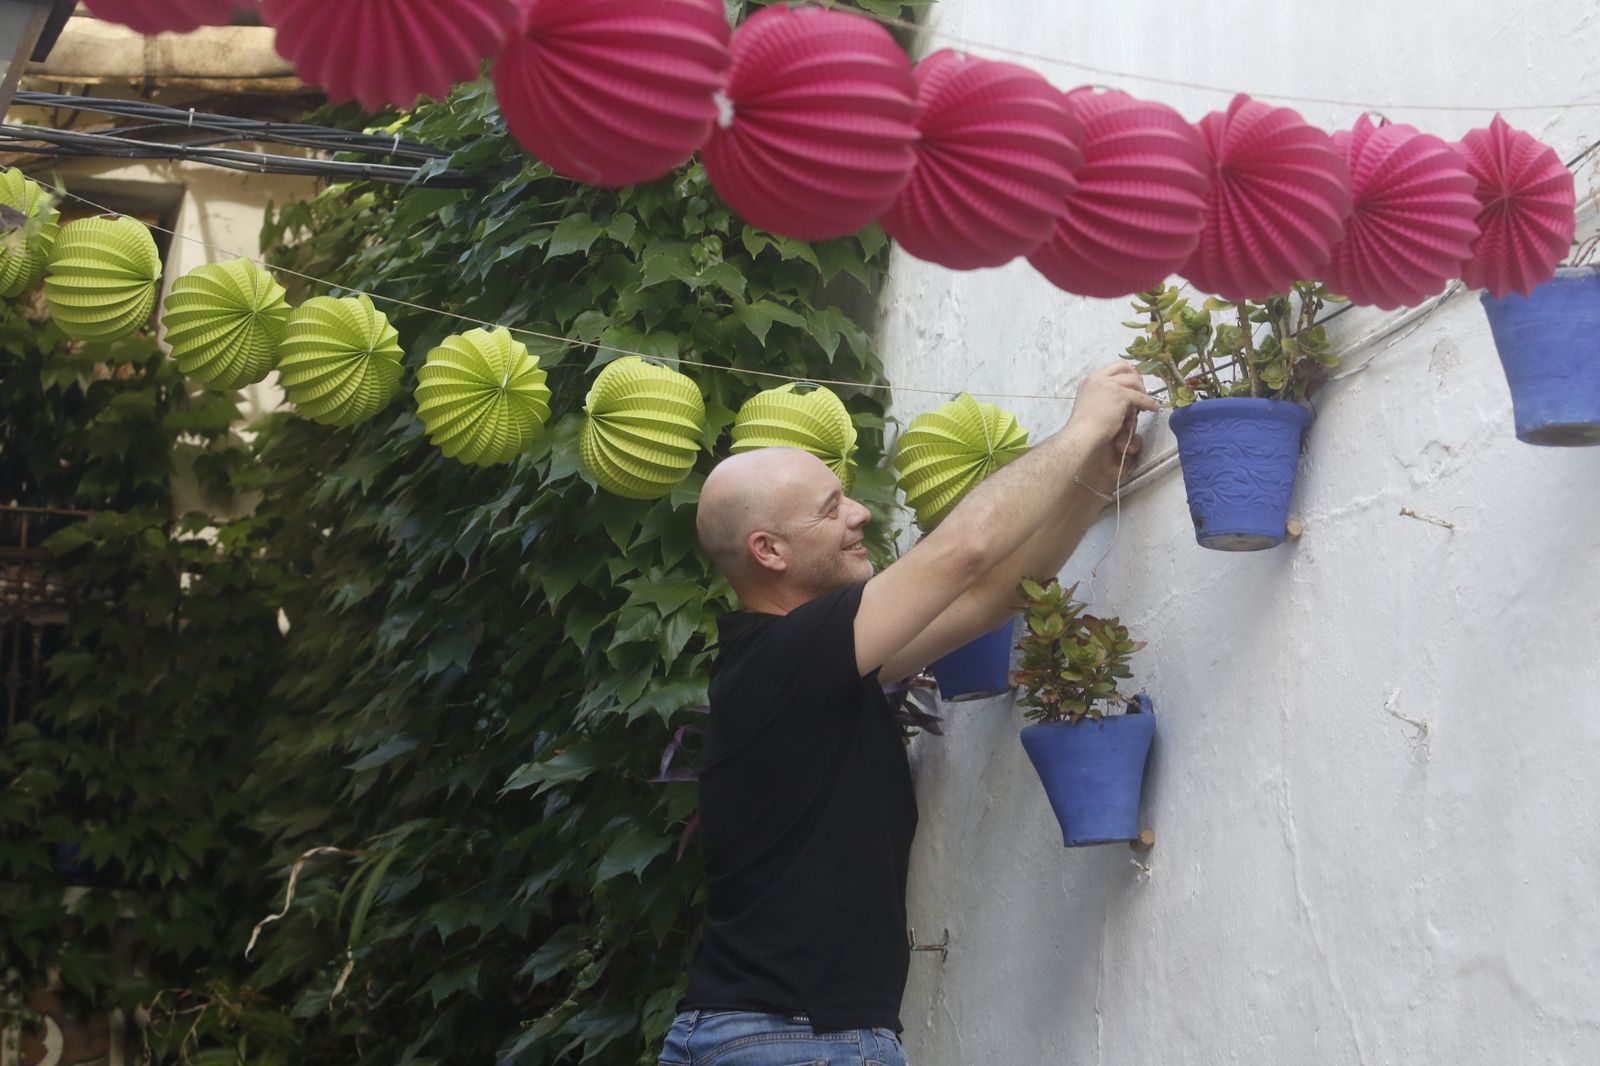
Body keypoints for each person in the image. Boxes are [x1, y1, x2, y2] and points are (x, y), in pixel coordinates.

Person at [658, 362, 1158, 1066]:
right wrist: (1080, 428)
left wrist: (1092, 481)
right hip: (800, 1040)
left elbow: (990, 597)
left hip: (762, 1036)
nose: (859, 513)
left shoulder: (809, 671)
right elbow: (962, 553)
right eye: (830, 509)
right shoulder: (783, 660)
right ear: (767, 551)